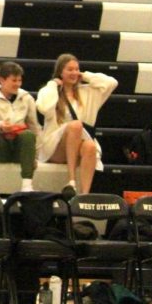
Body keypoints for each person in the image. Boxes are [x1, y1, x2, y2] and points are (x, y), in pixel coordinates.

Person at [36, 54, 117, 198]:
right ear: (60, 72)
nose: (74, 73)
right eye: (70, 69)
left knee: (90, 146)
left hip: (78, 144)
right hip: (55, 148)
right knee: (75, 126)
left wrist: (85, 75)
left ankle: (84, 196)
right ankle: (71, 181)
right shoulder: (50, 91)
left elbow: (111, 83)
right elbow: (44, 107)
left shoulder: (87, 92)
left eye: (76, 69)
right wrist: (53, 85)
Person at [0, 61, 41, 194]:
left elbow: (35, 128)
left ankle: (27, 185)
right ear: (2, 80)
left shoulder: (27, 98)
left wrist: (36, 156)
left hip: (20, 148)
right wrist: (0, 126)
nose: (18, 84)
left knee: (28, 135)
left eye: (20, 80)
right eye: (14, 80)